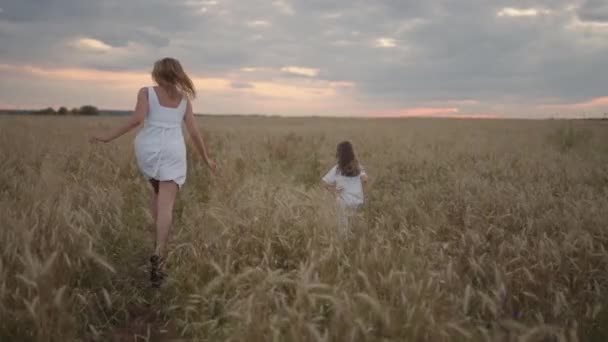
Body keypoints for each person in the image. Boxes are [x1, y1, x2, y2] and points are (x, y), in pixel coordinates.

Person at [90, 57, 217, 287]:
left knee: (157, 193)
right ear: (177, 74)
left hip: (148, 148)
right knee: (166, 204)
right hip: (173, 149)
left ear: (157, 73)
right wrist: (206, 158)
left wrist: (108, 137)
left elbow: (136, 120)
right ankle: (159, 254)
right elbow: (194, 133)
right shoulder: (184, 100)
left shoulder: (146, 92)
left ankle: (156, 240)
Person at [322, 141, 368, 236]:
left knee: (343, 230)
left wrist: (334, 190)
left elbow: (324, 183)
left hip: (343, 202)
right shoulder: (358, 167)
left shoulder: (337, 169)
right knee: (355, 229)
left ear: (339, 154)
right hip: (357, 202)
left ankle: (344, 246)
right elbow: (365, 180)